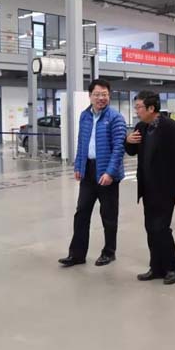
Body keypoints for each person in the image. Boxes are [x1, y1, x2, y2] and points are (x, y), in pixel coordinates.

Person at [58, 79, 127, 268]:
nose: (101, 98)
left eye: (104, 94)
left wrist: (110, 173)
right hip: (88, 171)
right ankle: (77, 254)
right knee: (81, 213)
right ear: (90, 96)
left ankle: (109, 252)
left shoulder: (115, 117)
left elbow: (119, 148)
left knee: (108, 215)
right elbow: (81, 142)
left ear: (109, 96)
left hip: (107, 174)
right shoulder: (84, 115)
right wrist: (78, 166)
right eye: (97, 94)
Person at [125, 91, 175, 285]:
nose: (136, 111)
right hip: (148, 187)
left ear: (151, 108)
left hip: (166, 187)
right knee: (151, 228)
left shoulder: (170, 127)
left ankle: (173, 267)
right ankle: (156, 267)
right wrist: (128, 141)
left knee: (161, 228)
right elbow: (132, 151)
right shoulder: (141, 127)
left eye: (139, 107)